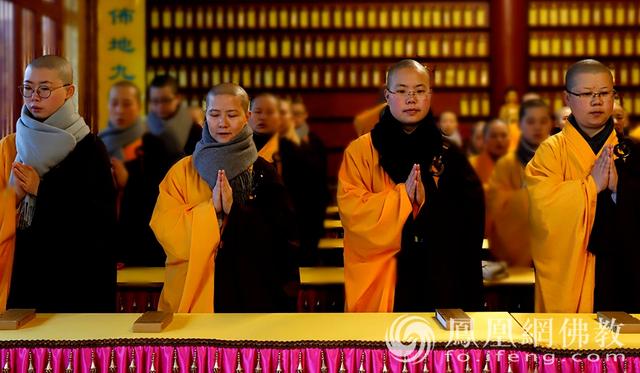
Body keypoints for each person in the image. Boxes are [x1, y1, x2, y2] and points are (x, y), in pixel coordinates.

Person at [337, 59, 484, 312]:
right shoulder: (361, 151)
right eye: (402, 91)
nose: (411, 99)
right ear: (387, 95)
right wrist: (402, 197)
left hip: (440, 278)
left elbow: (470, 225)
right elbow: (352, 213)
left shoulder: (450, 154)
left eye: (419, 91)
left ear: (429, 95)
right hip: (387, 277)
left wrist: (432, 202)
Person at [150, 83, 299, 313]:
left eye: (232, 115)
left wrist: (235, 211)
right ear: (204, 116)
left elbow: (282, 241)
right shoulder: (181, 172)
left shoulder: (263, 172)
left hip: (248, 295)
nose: (222, 123)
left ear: (247, 116)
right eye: (215, 114)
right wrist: (211, 213)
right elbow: (165, 228)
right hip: (193, 289)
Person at [0, 55, 116, 312]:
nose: (34, 97)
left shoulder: (89, 147)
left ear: (68, 92)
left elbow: (101, 219)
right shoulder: (12, 145)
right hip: (26, 268)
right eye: (28, 88)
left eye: (44, 89)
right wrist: (14, 198)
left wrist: (42, 190)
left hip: (76, 276)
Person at [526, 59, 640, 312]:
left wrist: (621, 190)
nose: (596, 101)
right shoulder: (550, 152)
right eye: (587, 94)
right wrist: (591, 186)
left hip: (622, 272)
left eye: (603, 93)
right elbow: (540, 211)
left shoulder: (634, 152)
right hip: (569, 272)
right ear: (567, 98)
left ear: (614, 96)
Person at [486, 99, 552, 267]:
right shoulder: (506, 164)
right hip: (516, 254)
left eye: (543, 121)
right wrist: (530, 197)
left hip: (556, 249)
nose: (537, 127)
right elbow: (495, 206)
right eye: (530, 121)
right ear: (520, 125)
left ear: (550, 124)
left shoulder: (562, 160)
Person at [147, 75, 201, 157]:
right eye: (155, 101)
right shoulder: (145, 128)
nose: (160, 106)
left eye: (165, 100)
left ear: (178, 98)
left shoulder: (194, 128)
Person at [469, 119, 510, 187]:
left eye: (503, 135)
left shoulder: (519, 163)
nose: (499, 140)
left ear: (509, 138)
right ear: (484, 139)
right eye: (493, 136)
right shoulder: (472, 164)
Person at [248, 93, 281, 164]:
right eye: (258, 112)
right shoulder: (238, 146)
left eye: (269, 112)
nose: (263, 117)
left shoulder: (286, 148)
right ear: (248, 115)